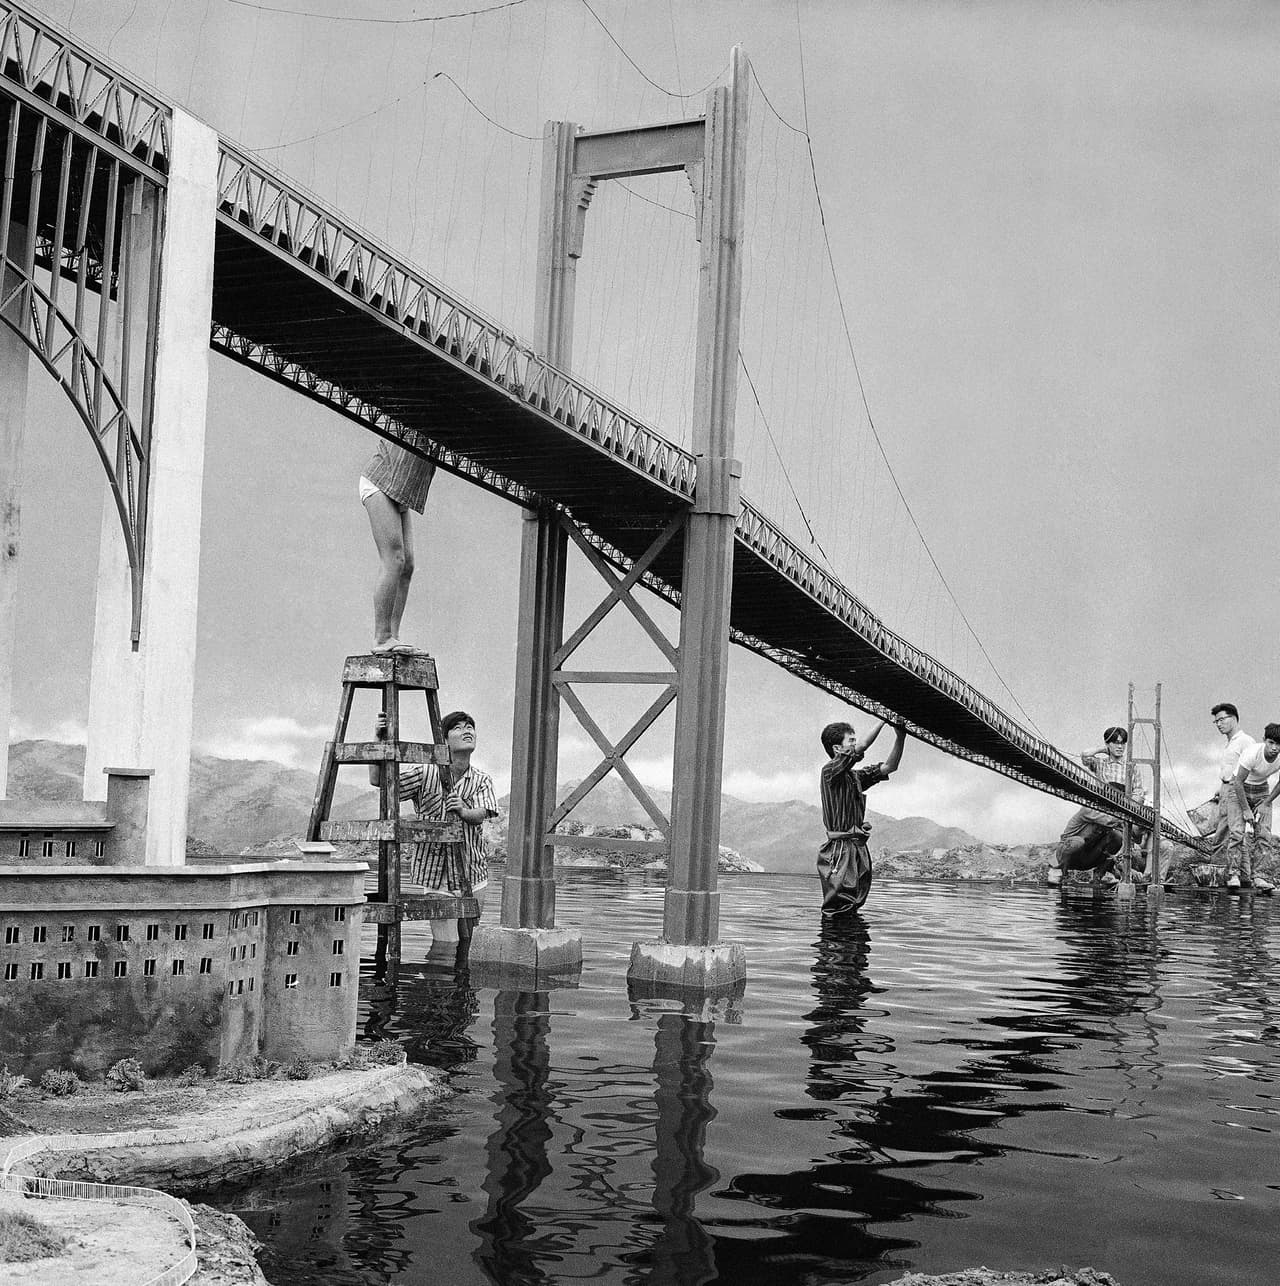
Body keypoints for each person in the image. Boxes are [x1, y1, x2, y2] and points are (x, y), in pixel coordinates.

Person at [371, 708, 499, 943]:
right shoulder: (425, 772)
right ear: (443, 739)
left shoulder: (482, 779)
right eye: (458, 727)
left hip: (473, 872)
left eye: (470, 726)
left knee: (468, 941)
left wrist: (463, 810)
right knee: (446, 944)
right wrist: (380, 741)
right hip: (436, 873)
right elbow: (380, 782)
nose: (467, 730)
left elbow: (481, 814)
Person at [817, 716, 907, 916]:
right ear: (837, 749)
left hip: (857, 846)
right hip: (839, 848)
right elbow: (864, 746)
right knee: (839, 903)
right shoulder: (829, 771)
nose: (855, 745)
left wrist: (900, 737)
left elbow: (889, 767)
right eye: (851, 741)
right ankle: (834, 944)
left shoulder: (855, 777)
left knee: (856, 900)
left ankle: (851, 945)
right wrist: (885, 720)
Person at [360, 437, 436, 654]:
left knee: (408, 565)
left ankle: (393, 636)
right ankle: (382, 637)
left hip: (399, 491)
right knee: (394, 559)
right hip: (381, 482)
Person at [1227, 722, 1280, 892]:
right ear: (1264, 740)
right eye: (1271, 743)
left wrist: (1266, 802)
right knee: (1236, 832)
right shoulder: (1252, 753)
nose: (1274, 748)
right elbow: (1238, 782)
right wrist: (1245, 810)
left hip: (1262, 791)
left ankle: (1259, 876)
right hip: (1239, 789)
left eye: (1279, 744)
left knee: (1264, 834)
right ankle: (1233, 874)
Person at [1211, 703, 1257, 890]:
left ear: (1234, 718)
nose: (1219, 724)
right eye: (1216, 721)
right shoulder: (1230, 743)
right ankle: (1245, 876)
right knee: (1233, 833)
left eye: (1222, 719)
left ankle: (1228, 875)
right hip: (1225, 788)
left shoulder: (1246, 741)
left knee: (1228, 834)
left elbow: (1251, 770)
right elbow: (1229, 769)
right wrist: (1219, 788)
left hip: (1237, 789)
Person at [1047, 783, 1126, 887]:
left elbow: (1128, 834)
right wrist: (1126, 814)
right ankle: (1058, 871)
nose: (1118, 803)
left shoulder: (1112, 814)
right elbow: (1108, 820)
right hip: (1069, 854)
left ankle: (1101, 874)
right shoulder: (1089, 808)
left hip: (1087, 856)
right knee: (1077, 842)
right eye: (1117, 799)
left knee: (1117, 837)